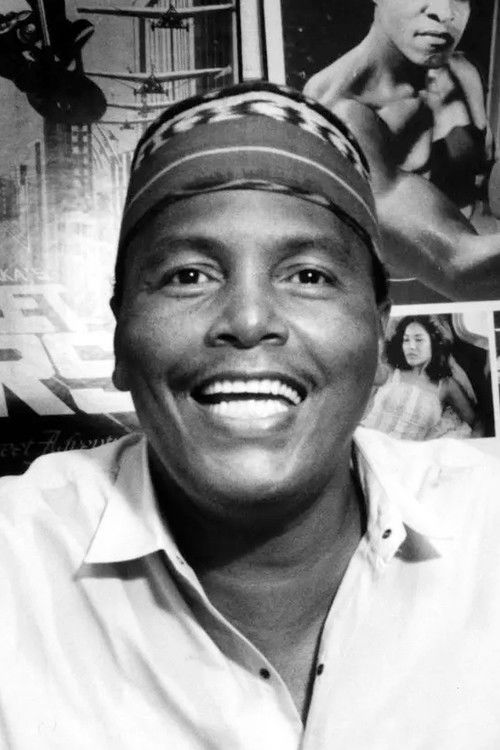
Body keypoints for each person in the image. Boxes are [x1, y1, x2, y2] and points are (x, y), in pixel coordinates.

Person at [0, 82, 500, 748]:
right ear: (120, 336)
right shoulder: (16, 565)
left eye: (309, 275)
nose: (248, 318)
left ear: (380, 333)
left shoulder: (487, 528)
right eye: (188, 275)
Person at [304, 0, 500, 302]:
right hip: (413, 303)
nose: (445, 12)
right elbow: (461, 270)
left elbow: (488, 186)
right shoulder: (340, 114)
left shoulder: (461, 70)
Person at [362, 315, 477, 438]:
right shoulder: (390, 371)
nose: (411, 346)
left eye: (419, 340)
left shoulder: (446, 385)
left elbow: (477, 423)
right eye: (406, 340)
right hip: (370, 441)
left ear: (434, 342)